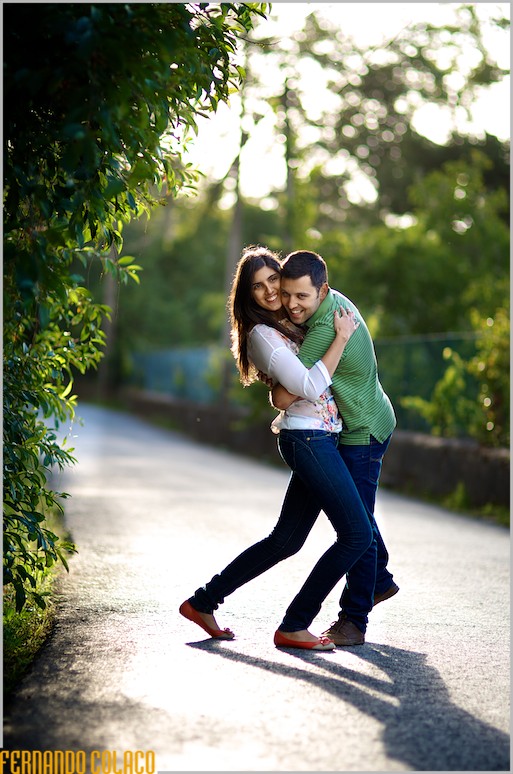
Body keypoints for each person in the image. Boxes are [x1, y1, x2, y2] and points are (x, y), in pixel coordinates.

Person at [180, 245, 372, 650]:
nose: (271, 292)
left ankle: (204, 601)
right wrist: (340, 339)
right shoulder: (262, 335)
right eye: (259, 287)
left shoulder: (286, 323)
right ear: (246, 295)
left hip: (317, 436)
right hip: (308, 438)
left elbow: (291, 388)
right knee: (355, 535)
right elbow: (305, 387)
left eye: (275, 282)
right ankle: (295, 623)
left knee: (285, 540)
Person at [272, 249, 398, 646]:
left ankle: (354, 620)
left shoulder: (327, 324)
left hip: (363, 430)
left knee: (355, 527)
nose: (293, 304)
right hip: (362, 421)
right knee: (358, 517)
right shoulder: (331, 302)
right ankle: (379, 579)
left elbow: (288, 393)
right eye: (287, 295)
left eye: (302, 297)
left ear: (321, 290)